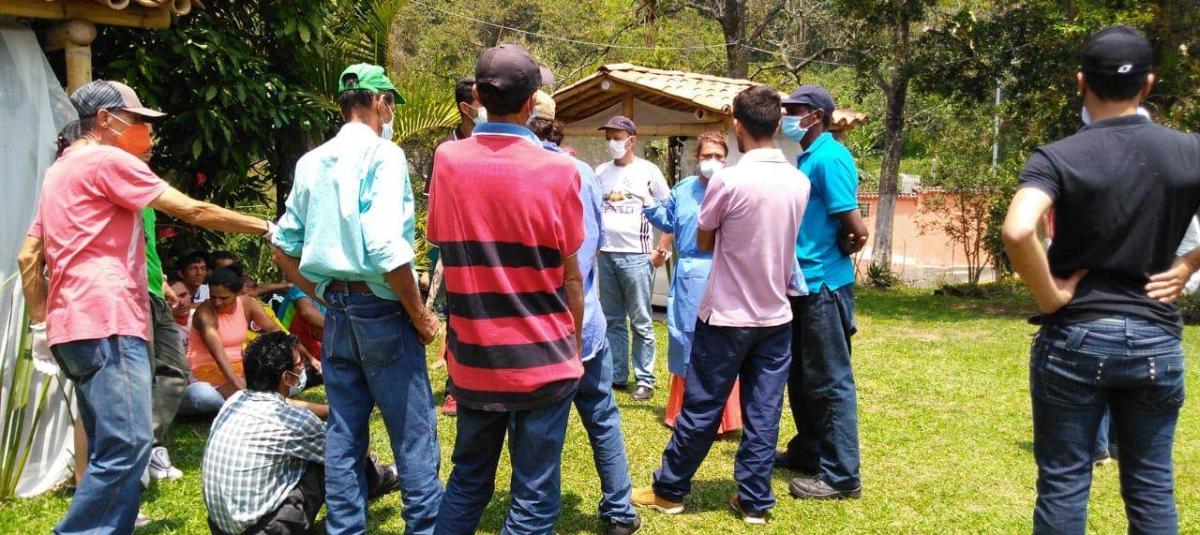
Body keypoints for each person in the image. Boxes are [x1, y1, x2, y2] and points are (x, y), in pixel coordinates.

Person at [17, 79, 270, 534]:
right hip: (109, 322)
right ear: (104, 120)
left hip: (71, 328)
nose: (145, 131)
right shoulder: (106, 159)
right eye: (135, 120)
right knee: (129, 444)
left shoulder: (59, 171)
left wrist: (40, 325)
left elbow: (27, 257)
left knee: (106, 444)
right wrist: (266, 227)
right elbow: (192, 210)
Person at [1001, 25, 1200, 535]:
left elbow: (1019, 230)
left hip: (1075, 336)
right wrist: (1187, 265)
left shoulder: (1057, 156)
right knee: (1152, 488)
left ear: (1081, 82)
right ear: (1149, 84)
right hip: (1155, 338)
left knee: (1064, 484)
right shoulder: (1189, 152)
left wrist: (1051, 296)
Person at [272, 63, 443, 535]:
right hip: (382, 311)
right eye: (390, 103)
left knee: (344, 433)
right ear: (379, 102)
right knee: (412, 433)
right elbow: (387, 248)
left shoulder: (312, 161)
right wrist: (420, 315)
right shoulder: (384, 155)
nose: (390, 113)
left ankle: (345, 528)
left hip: (339, 315)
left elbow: (282, 245)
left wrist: (323, 294)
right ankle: (425, 526)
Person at [632, 85, 809, 525]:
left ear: (736, 125)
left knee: (701, 407)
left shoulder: (727, 181)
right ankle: (754, 500)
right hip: (776, 316)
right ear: (777, 125)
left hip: (726, 314)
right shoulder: (798, 180)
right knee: (764, 413)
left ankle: (670, 490)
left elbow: (705, 239)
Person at [427, 45, 585, 534]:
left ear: (476, 96)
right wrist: (575, 342)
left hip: (475, 360)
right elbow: (570, 269)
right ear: (532, 101)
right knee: (534, 497)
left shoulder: (447, 160)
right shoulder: (561, 171)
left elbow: (441, 240)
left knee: (467, 481)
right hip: (544, 358)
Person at [530, 91, 641, 535]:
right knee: (602, 416)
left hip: (541, 327)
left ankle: (539, 513)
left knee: (540, 428)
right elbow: (591, 244)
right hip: (587, 321)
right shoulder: (581, 173)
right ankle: (620, 510)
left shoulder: (522, 169)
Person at [203, 332, 399, 535]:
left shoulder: (234, 402)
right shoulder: (293, 423)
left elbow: (288, 403)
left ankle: (378, 478)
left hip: (221, 528)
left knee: (318, 449)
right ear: (286, 377)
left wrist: (331, 410)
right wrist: (354, 415)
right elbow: (357, 449)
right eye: (299, 364)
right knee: (337, 452)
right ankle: (383, 479)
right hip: (265, 529)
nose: (303, 367)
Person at [774, 85, 869, 500]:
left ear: (815, 115)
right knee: (801, 375)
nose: (786, 118)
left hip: (825, 286)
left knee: (830, 379)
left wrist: (847, 244)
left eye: (793, 110)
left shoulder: (831, 157)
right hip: (803, 283)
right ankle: (808, 450)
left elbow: (856, 227)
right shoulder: (808, 157)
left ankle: (842, 475)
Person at [642, 131, 742, 434]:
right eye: (707, 155)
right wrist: (648, 204)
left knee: (721, 343)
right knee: (686, 338)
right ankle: (685, 411)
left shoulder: (734, 189)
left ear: (726, 160)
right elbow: (669, 222)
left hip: (723, 272)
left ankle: (722, 417)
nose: (712, 161)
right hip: (688, 275)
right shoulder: (683, 189)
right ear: (697, 157)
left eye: (718, 156)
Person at [596, 115, 670, 400]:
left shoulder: (648, 171)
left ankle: (645, 379)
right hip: (606, 254)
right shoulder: (601, 171)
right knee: (613, 319)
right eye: (608, 138)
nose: (611, 143)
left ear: (631, 140)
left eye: (616, 138)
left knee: (640, 320)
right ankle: (617, 374)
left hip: (637, 256)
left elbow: (668, 212)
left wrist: (661, 248)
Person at [143, 207, 189, 482]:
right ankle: (143, 451)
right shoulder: (118, 188)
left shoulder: (147, 203)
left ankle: (150, 444)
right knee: (142, 374)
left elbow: (148, 250)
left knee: (176, 369)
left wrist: (162, 282)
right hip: (131, 293)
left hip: (155, 294)